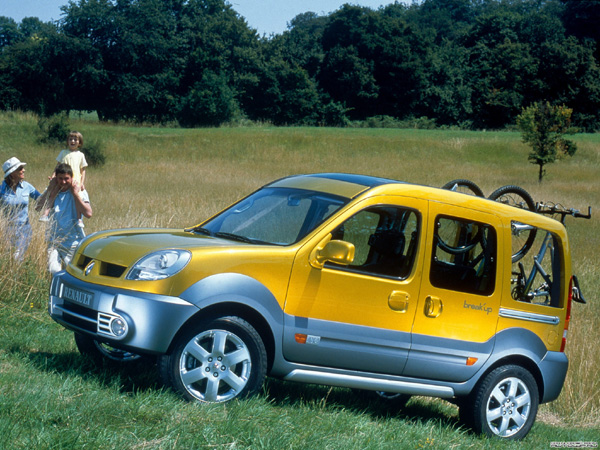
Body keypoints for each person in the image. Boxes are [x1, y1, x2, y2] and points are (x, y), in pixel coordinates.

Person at [36, 162, 92, 274]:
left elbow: (88, 213)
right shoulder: (53, 190)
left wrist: (76, 194)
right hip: (54, 240)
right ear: (56, 178)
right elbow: (38, 207)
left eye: (66, 178)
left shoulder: (79, 191)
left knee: (72, 273)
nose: (63, 182)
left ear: (72, 178)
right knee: (53, 270)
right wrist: (49, 189)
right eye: (60, 178)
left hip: (73, 241)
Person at [41, 131, 89, 220]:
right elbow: (57, 166)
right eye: (71, 139)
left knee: (77, 198)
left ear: (79, 142)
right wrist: (53, 176)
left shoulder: (81, 155)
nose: (73, 141)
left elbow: (83, 171)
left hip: (75, 180)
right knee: (53, 193)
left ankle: (79, 219)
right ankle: (45, 214)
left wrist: (82, 183)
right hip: (62, 179)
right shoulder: (63, 152)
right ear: (67, 141)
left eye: (75, 139)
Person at [1, 157, 41, 260]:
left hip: (24, 229)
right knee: (7, 258)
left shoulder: (26, 186)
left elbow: (41, 199)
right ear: (12, 173)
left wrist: (52, 187)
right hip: (7, 230)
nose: (23, 170)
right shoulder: (1, 190)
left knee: (17, 257)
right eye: (20, 168)